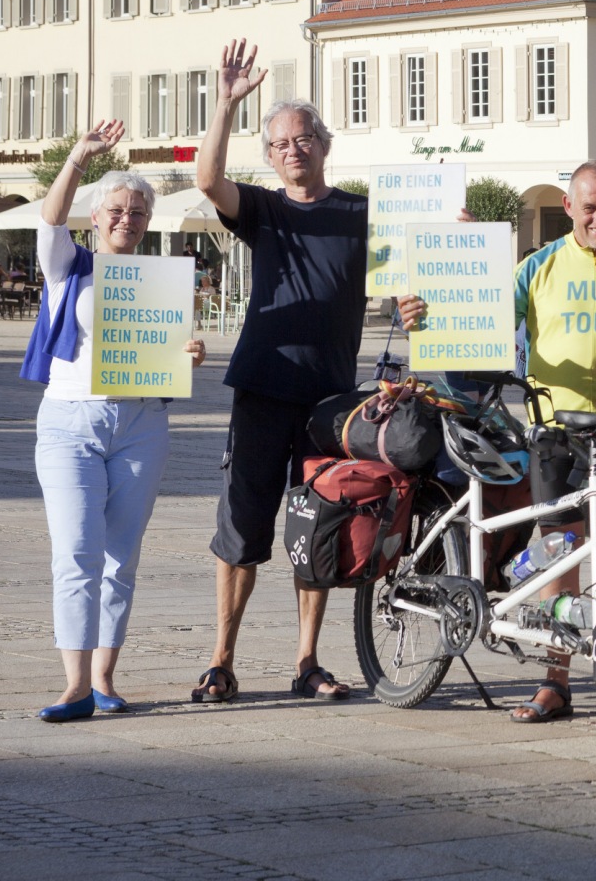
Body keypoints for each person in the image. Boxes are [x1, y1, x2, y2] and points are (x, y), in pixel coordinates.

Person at [398, 161, 596, 724]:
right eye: (589, 207)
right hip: (553, 430)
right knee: (558, 558)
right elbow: (481, 327)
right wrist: (439, 293)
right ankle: (555, 682)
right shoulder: (537, 265)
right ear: (567, 207)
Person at [191, 39, 369, 704]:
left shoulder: (357, 214)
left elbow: (416, 260)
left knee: (318, 529)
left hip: (331, 400)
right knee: (243, 525)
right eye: (282, 144)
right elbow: (208, 181)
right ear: (269, 156)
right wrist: (227, 104)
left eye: (304, 139)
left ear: (325, 145)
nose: (294, 149)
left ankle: (307, 662)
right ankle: (221, 660)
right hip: (264, 386)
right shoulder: (263, 211)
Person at [23, 123, 207, 721]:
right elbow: (49, 221)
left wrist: (189, 353)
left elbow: (169, 349)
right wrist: (77, 155)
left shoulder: (158, 280)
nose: (128, 218)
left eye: (137, 211)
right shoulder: (69, 264)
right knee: (75, 551)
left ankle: (105, 676)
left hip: (141, 423)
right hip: (70, 419)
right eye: (118, 209)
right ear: (97, 216)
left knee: (120, 557)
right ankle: (74, 684)